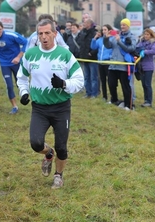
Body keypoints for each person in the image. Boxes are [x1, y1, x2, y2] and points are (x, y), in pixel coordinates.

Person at [16, 19, 84, 189]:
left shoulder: (65, 54)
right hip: (39, 108)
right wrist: (24, 92)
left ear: (55, 34)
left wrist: (63, 84)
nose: (44, 37)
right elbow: (22, 77)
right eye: (40, 34)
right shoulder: (30, 54)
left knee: (62, 146)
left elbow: (79, 81)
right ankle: (48, 154)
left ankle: (58, 176)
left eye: (47, 33)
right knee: (36, 143)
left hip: (61, 107)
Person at [104, 18, 137, 110]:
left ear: (128, 26)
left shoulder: (131, 36)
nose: (122, 26)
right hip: (113, 65)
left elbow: (131, 49)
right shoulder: (116, 35)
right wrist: (106, 38)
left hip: (124, 66)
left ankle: (128, 105)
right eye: (121, 25)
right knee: (111, 84)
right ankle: (114, 100)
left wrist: (119, 41)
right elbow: (108, 46)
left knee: (125, 86)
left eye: (124, 25)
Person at [90, 24, 113, 102]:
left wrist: (111, 34)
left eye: (105, 30)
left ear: (109, 30)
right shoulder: (100, 40)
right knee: (102, 80)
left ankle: (112, 96)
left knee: (110, 81)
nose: (103, 31)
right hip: (100, 62)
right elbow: (93, 47)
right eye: (103, 30)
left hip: (108, 62)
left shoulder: (112, 39)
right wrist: (94, 38)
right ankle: (104, 96)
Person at [77, 19, 98, 98]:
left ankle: (94, 93)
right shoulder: (82, 32)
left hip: (92, 58)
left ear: (89, 24)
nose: (83, 24)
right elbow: (80, 43)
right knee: (86, 77)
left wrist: (91, 53)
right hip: (84, 57)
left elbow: (96, 45)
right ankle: (88, 92)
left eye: (85, 23)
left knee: (93, 77)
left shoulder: (94, 33)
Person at [136, 28, 155, 107]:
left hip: (149, 67)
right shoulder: (141, 42)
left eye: (147, 34)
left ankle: (149, 101)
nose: (146, 36)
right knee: (143, 84)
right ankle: (145, 100)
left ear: (151, 35)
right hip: (141, 66)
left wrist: (145, 51)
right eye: (145, 34)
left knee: (147, 84)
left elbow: (153, 51)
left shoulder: (153, 42)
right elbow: (137, 48)